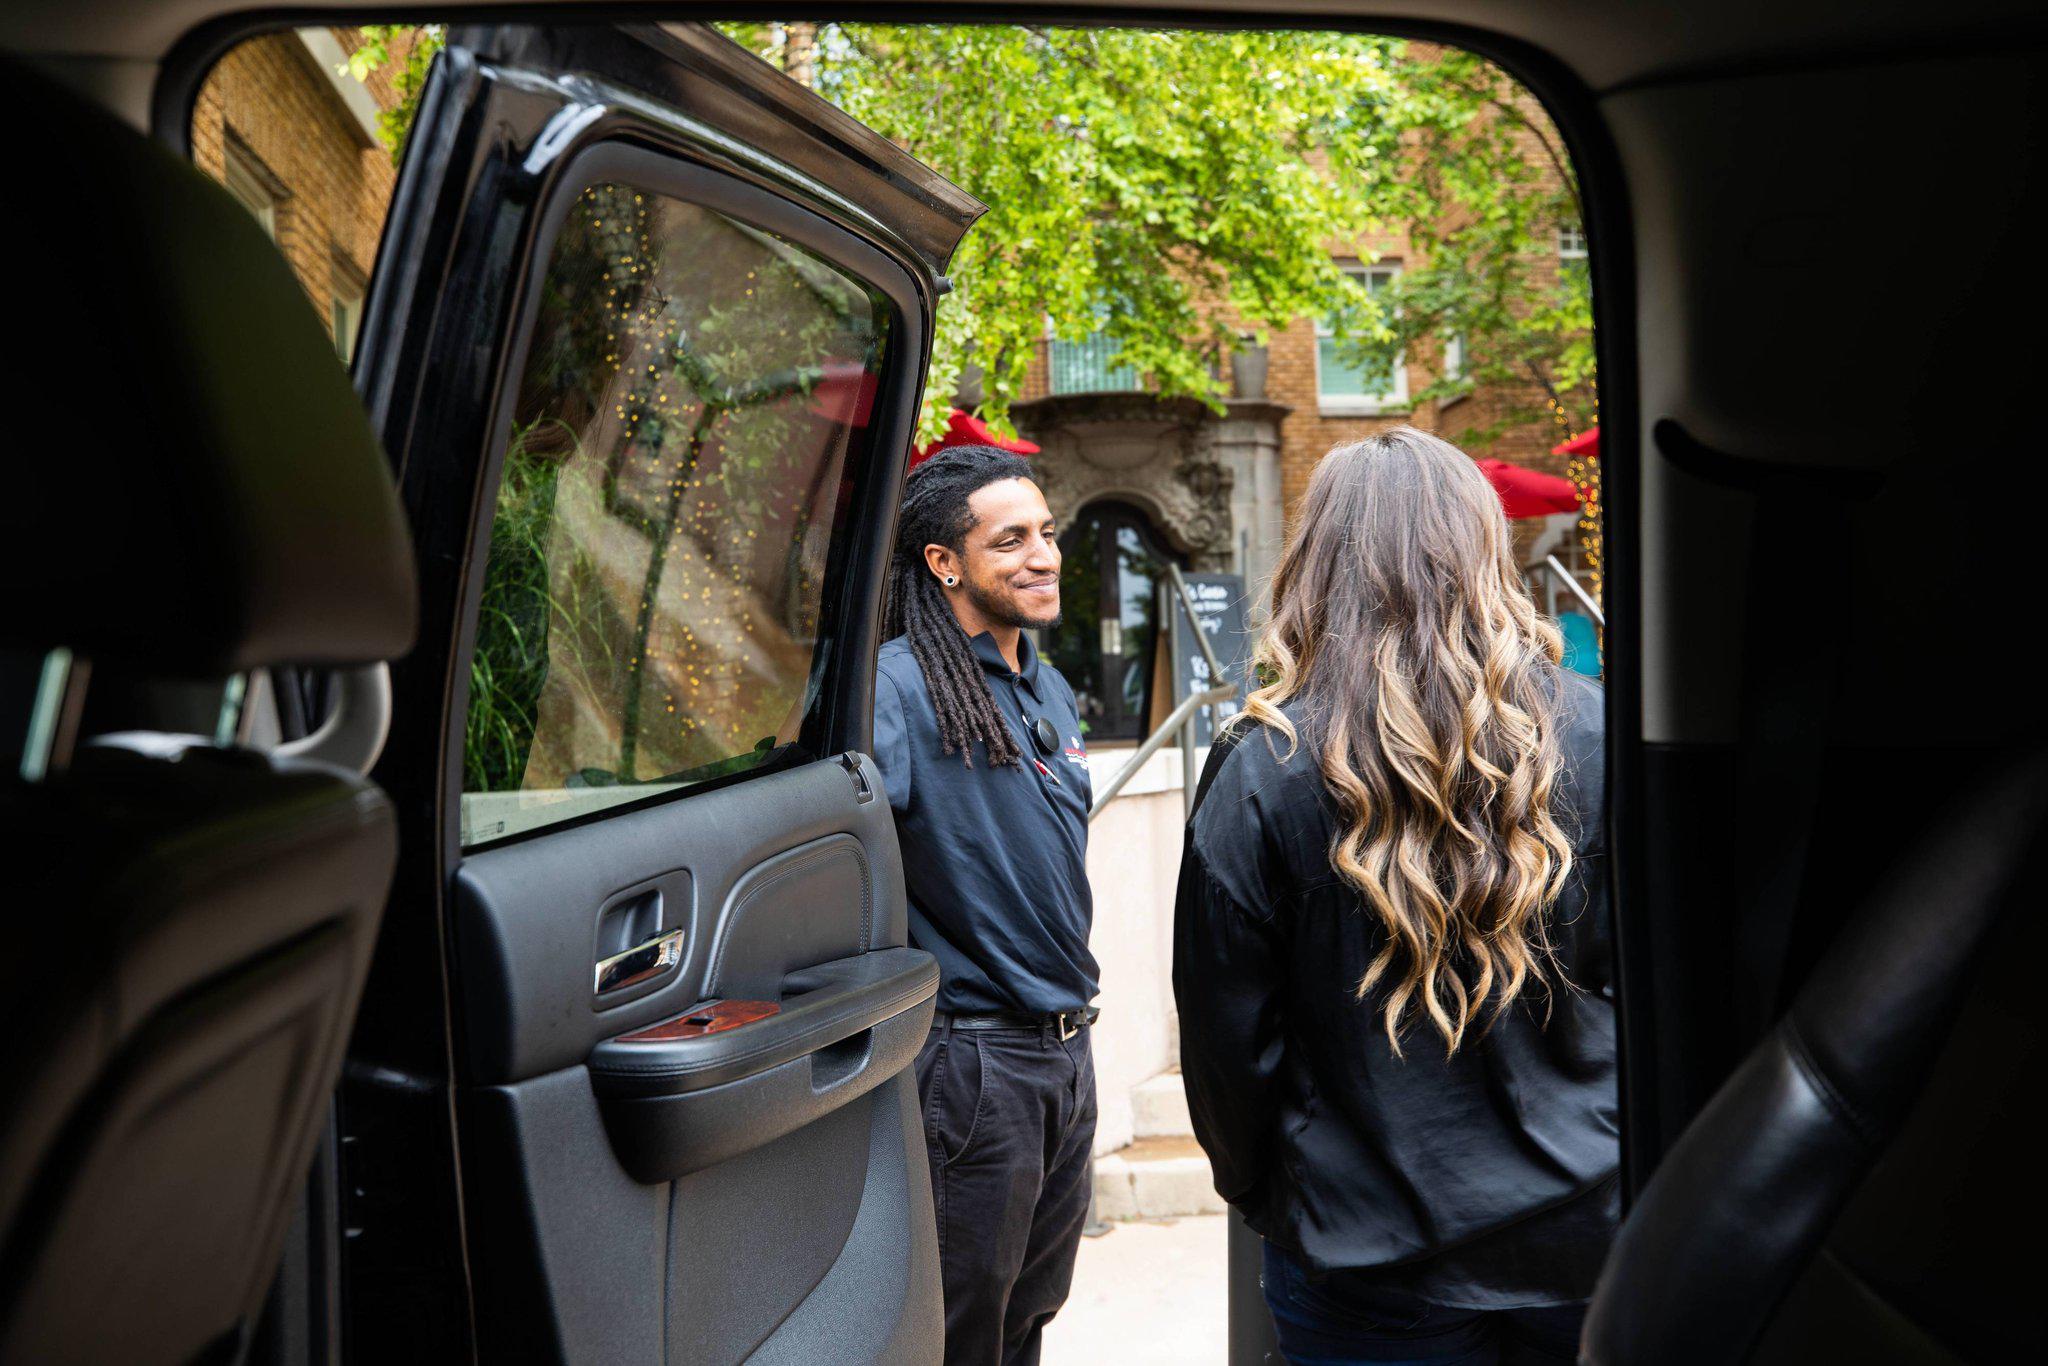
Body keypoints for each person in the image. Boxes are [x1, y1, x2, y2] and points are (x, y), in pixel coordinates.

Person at [1174, 427, 1616, 1364]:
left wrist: (1281, 1199)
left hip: (1364, 1253)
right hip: (1589, 1228)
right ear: (1483, 547)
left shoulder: (1264, 767)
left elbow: (1223, 1041)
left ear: (1318, 561)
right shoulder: (1599, 733)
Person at [872, 444, 1098, 1366]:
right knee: (962, 1332)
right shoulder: (897, 685)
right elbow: (837, 849)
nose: (1042, 555)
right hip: (975, 1065)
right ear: (945, 562)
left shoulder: (1045, 683)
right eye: (1011, 541)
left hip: (1068, 1053)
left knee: (1030, 1316)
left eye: (1046, 533)